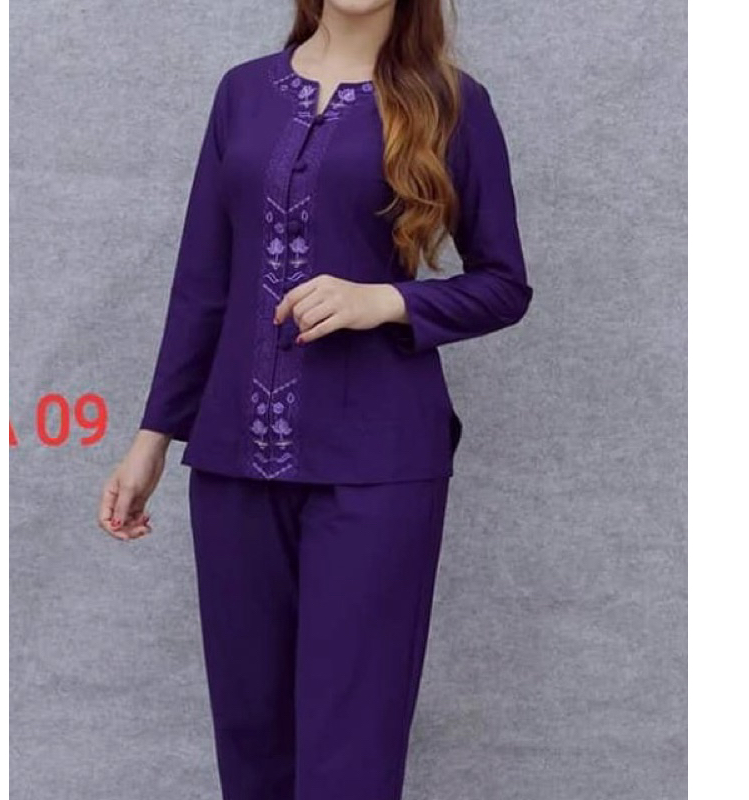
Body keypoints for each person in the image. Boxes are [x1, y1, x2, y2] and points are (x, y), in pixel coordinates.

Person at [98, 1, 533, 798]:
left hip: (380, 465)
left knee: (351, 745)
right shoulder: (242, 93)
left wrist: (387, 301)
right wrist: (153, 436)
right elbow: (202, 281)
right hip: (232, 460)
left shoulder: (453, 103)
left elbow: (505, 285)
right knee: (251, 737)